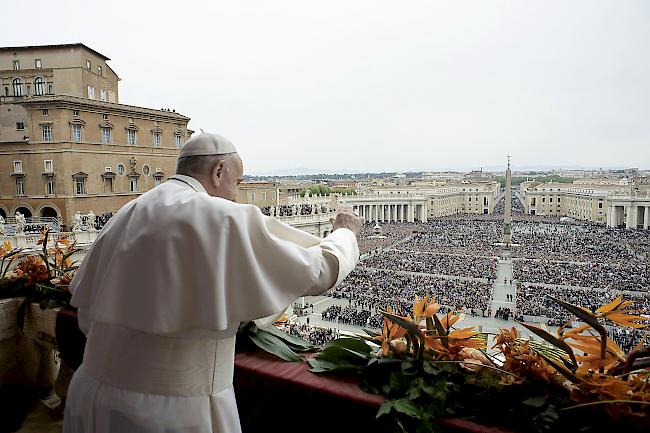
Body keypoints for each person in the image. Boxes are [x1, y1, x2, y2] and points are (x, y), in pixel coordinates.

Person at [63, 133, 363, 433]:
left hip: (91, 394)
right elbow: (318, 271)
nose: (236, 194)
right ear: (218, 172)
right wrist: (344, 234)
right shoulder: (220, 216)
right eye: (239, 182)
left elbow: (89, 317)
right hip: (169, 410)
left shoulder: (128, 211)